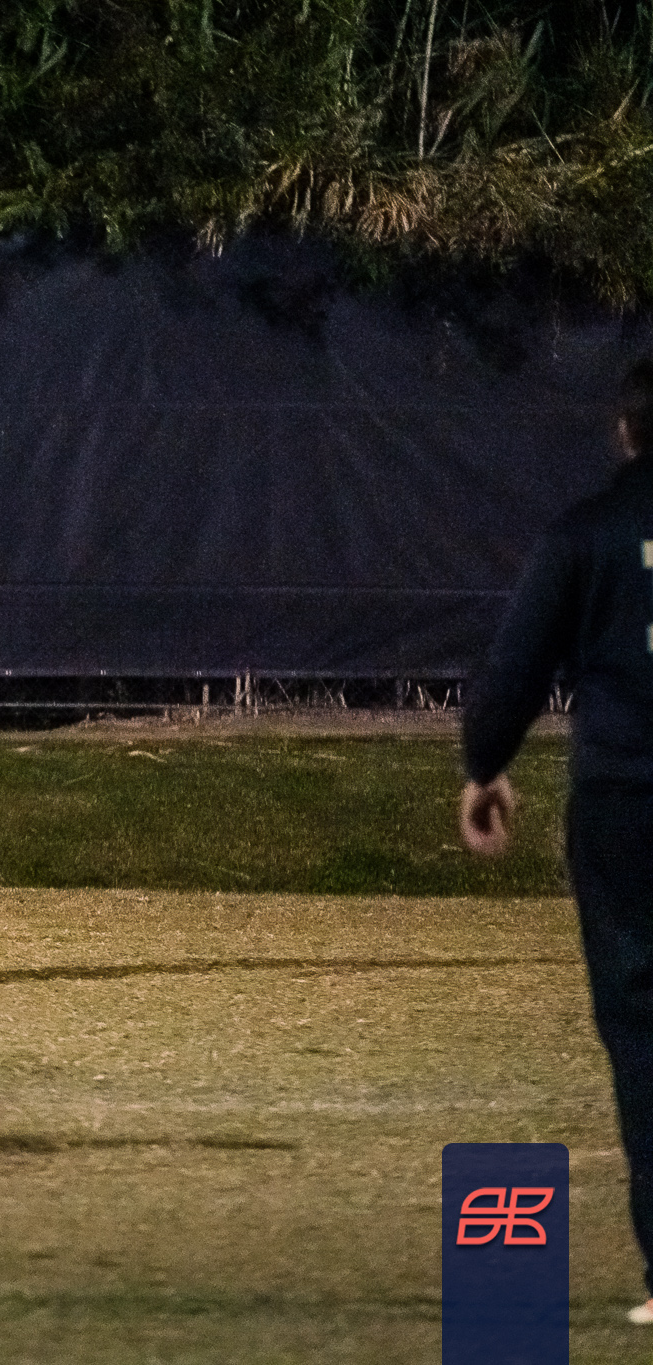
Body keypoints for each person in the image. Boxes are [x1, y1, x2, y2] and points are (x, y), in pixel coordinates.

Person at [461, 358, 653, 1322]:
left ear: (626, 431)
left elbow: (518, 666)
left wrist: (485, 763)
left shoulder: (587, 532)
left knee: (643, 1028)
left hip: (627, 802)